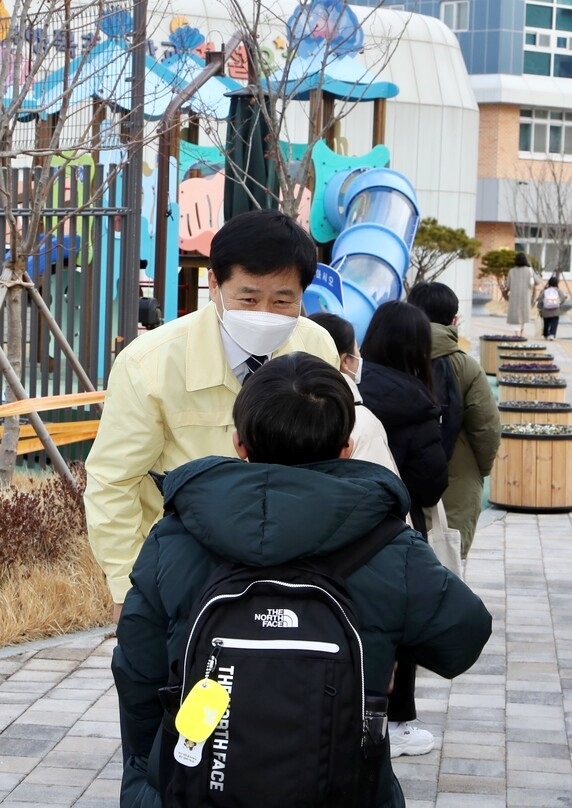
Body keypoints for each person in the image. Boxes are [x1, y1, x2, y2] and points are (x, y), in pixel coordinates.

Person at [111, 353, 492, 807]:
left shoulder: (175, 537)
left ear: (239, 443)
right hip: (346, 790)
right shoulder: (390, 546)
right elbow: (465, 637)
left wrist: (142, 774)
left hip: (191, 791)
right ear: (347, 447)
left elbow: (136, 671)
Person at [84, 209, 340, 619]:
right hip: (186, 575)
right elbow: (113, 481)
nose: (266, 313)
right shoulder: (150, 364)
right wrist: (129, 586)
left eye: (283, 300)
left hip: (297, 574)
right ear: (214, 285)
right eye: (249, 298)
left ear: (302, 296)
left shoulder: (317, 348)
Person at [356, 300, 449, 757]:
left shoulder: (349, 388)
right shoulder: (419, 403)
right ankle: (399, 723)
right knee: (400, 625)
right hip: (396, 531)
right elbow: (431, 487)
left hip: (342, 526)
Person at [407, 281, 501, 560]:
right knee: (449, 572)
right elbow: (487, 429)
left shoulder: (392, 357)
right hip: (455, 485)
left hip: (403, 481)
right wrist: (477, 472)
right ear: (454, 319)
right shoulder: (467, 367)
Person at [308, 312, 398, 474]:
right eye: (357, 350)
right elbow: (379, 489)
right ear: (345, 361)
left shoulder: (280, 407)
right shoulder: (359, 420)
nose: (359, 357)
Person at [506, 251, 536, 336]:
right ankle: (522, 333)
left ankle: (517, 333)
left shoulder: (511, 271)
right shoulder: (529, 271)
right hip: (525, 296)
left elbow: (508, 284)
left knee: (515, 316)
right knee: (523, 314)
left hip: (514, 297)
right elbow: (533, 283)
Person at [536, 275, 567, 340]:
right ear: (556, 283)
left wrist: (540, 307)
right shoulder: (558, 290)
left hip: (545, 310)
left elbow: (540, 299)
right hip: (555, 310)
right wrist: (558, 303)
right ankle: (552, 334)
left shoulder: (545, 290)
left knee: (546, 322)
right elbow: (563, 298)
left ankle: (545, 334)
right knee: (554, 322)